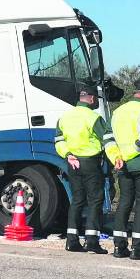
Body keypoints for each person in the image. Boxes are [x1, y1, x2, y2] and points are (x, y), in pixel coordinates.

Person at [106, 79, 140, 260]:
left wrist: (117, 157)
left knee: (124, 203)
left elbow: (109, 139)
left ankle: (119, 247)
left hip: (123, 165)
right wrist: (128, 156)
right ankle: (138, 248)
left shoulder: (117, 112)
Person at [55, 85, 113, 254]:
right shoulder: (93, 117)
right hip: (90, 162)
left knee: (77, 200)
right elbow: (107, 139)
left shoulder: (64, 117)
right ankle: (92, 241)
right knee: (95, 200)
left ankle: (71, 241)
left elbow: (58, 141)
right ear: (93, 99)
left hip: (72, 162)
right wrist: (116, 156)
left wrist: (68, 155)